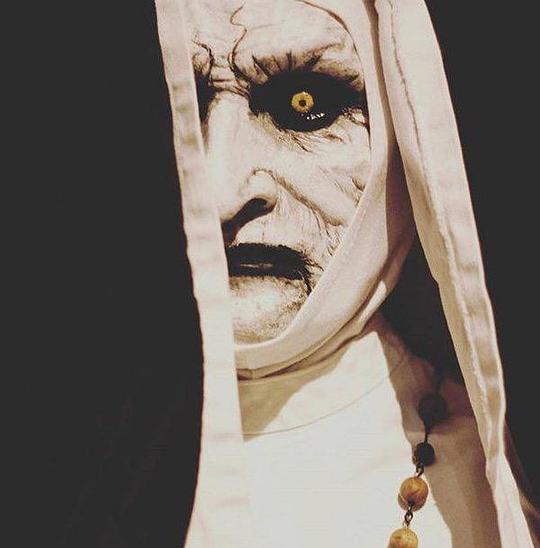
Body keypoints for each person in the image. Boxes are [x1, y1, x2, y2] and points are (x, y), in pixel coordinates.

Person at [155, 0, 539, 546]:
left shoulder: (499, 484)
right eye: (176, 108)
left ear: (406, 140)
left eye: (304, 104)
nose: (221, 194)